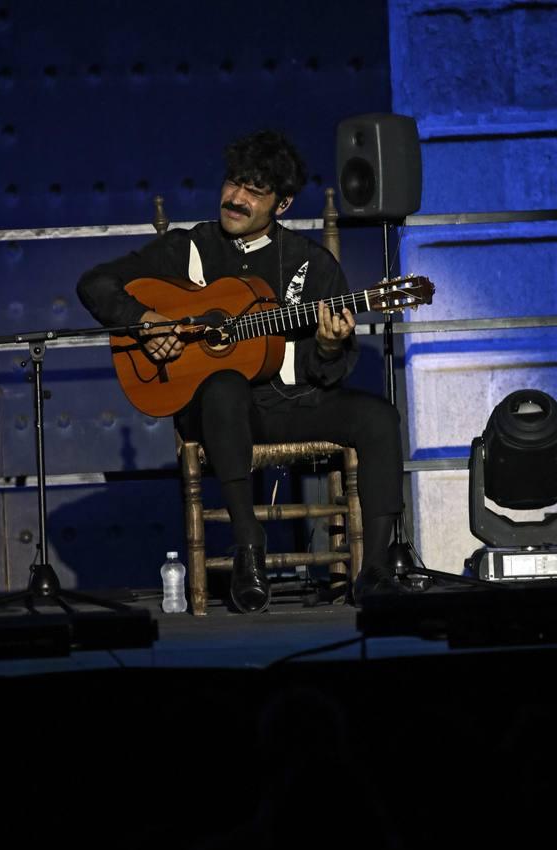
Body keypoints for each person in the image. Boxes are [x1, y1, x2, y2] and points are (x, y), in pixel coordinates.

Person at [77, 129, 406, 613]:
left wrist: (330, 346)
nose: (237, 198)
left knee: (379, 418)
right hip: (217, 414)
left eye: (255, 191)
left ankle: (375, 570)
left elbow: (328, 375)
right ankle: (248, 546)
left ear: (283, 204)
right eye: (235, 183)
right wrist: (146, 322)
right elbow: (94, 283)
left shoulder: (312, 266)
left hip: (291, 404)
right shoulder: (189, 248)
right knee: (225, 385)